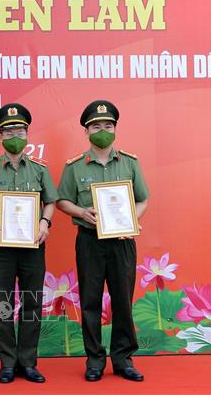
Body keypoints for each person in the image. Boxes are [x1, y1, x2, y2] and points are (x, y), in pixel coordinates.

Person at [56, 100, 149, 382]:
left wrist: (131, 220)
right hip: (90, 241)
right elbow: (62, 200)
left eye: (108, 125)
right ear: (86, 131)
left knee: (123, 301)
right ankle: (94, 360)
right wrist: (81, 212)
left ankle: (123, 359)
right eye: (96, 126)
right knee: (90, 301)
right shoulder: (74, 167)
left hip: (122, 241)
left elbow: (143, 199)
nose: (103, 131)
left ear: (115, 129)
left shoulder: (130, 162)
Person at [0, 103, 57, 384]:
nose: (14, 136)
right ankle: (7, 362)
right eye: (8, 132)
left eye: (19, 131)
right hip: (1, 247)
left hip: (33, 244)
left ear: (27, 134)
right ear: (0, 136)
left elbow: (51, 201)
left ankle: (28, 362)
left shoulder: (39, 169)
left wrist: (45, 223)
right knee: (3, 304)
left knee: (32, 302)